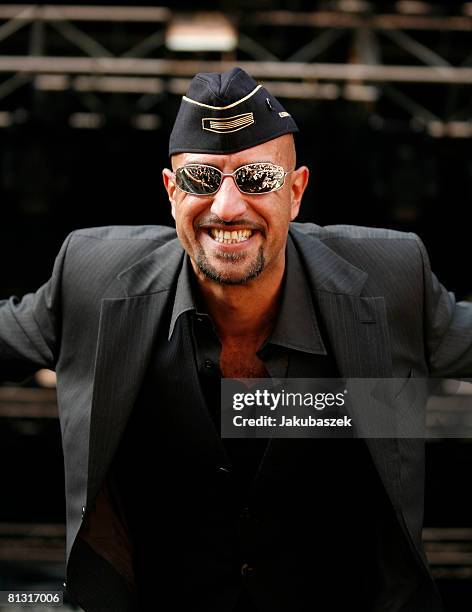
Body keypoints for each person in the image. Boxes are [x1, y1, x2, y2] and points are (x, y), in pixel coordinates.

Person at [1, 66, 470, 612]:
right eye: (202, 180)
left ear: (295, 193)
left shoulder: (389, 278)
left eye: (256, 179)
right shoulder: (93, 276)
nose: (226, 207)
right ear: (172, 193)